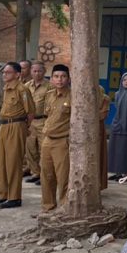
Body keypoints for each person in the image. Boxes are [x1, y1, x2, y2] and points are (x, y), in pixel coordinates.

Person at [0, 62, 35, 209]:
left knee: (13, 162)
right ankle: (3, 194)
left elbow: (30, 112)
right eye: (3, 72)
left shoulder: (22, 89)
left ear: (17, 74)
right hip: (4, 125)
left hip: (16, 125)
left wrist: (24, 128)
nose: (4, 75)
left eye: (8, 72)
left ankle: (14, 197)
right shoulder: (7, 88)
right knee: (1, 162)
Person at [40, 65, 71, 212]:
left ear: (68, 79)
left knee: (63, 176)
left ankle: (64, 208)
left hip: (62, 141)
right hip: (47, 140)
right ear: (51, 79)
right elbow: (48, 115)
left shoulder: (72, 96)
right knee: (46, 175)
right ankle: (48, 207)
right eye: (56, 76)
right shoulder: (49, 95)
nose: (60, 80)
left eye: (63, 76)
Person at [107, 72, 127, 180]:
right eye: (124, 80)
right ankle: (118, 172)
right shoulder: (117, 94)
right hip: (118, 125)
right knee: (117, 150)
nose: (126, 82)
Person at [23, 61, 49, 185]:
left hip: (43, 120)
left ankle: (44, 174)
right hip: (30, 121)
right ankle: (35, 172)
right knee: (30, 148)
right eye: (34, 71)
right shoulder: (27, 86)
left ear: (44, 71)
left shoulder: (50, 86)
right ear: (31, 72)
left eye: (39, 71)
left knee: (43, 149)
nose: (37, 73)